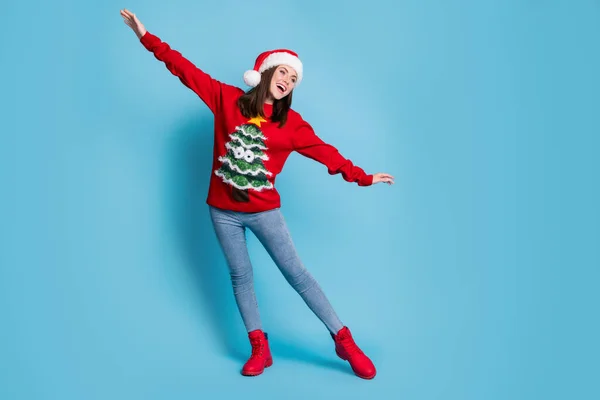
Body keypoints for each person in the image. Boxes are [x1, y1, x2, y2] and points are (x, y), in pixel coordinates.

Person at [120, 9, 394, 379]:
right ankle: (259, 349)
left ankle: (343, 340)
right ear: (266, 71)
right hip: (222, 211)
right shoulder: (225, 99)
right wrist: (145, 35)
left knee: (297, 274)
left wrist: (363, 177)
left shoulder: (291, 125)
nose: (287, 80)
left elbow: (326, 152)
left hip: (265, 213)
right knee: (240, 276)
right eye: (283, 71)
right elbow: (182, 68)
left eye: (294, 78)